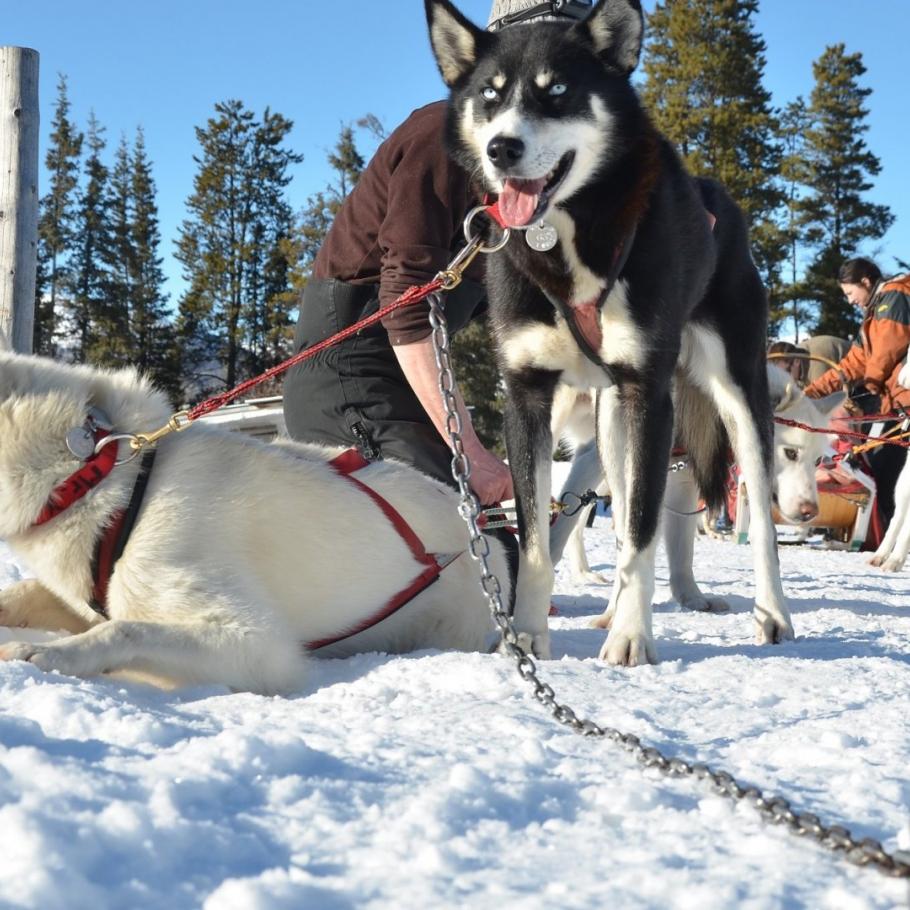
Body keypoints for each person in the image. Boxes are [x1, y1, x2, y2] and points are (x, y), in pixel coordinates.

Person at [803, 257, 910, 528]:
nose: (850, 300)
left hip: (904, 399)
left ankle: (889, 537)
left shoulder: (894, 296)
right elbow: (852, 363)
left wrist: (871, 383)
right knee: (884, 471)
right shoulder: (872, 317)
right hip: (896, 403)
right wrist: (811, 393)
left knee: (887, 471)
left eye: (850, 293)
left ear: (865, 281)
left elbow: (889, 347)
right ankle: (887, 536)